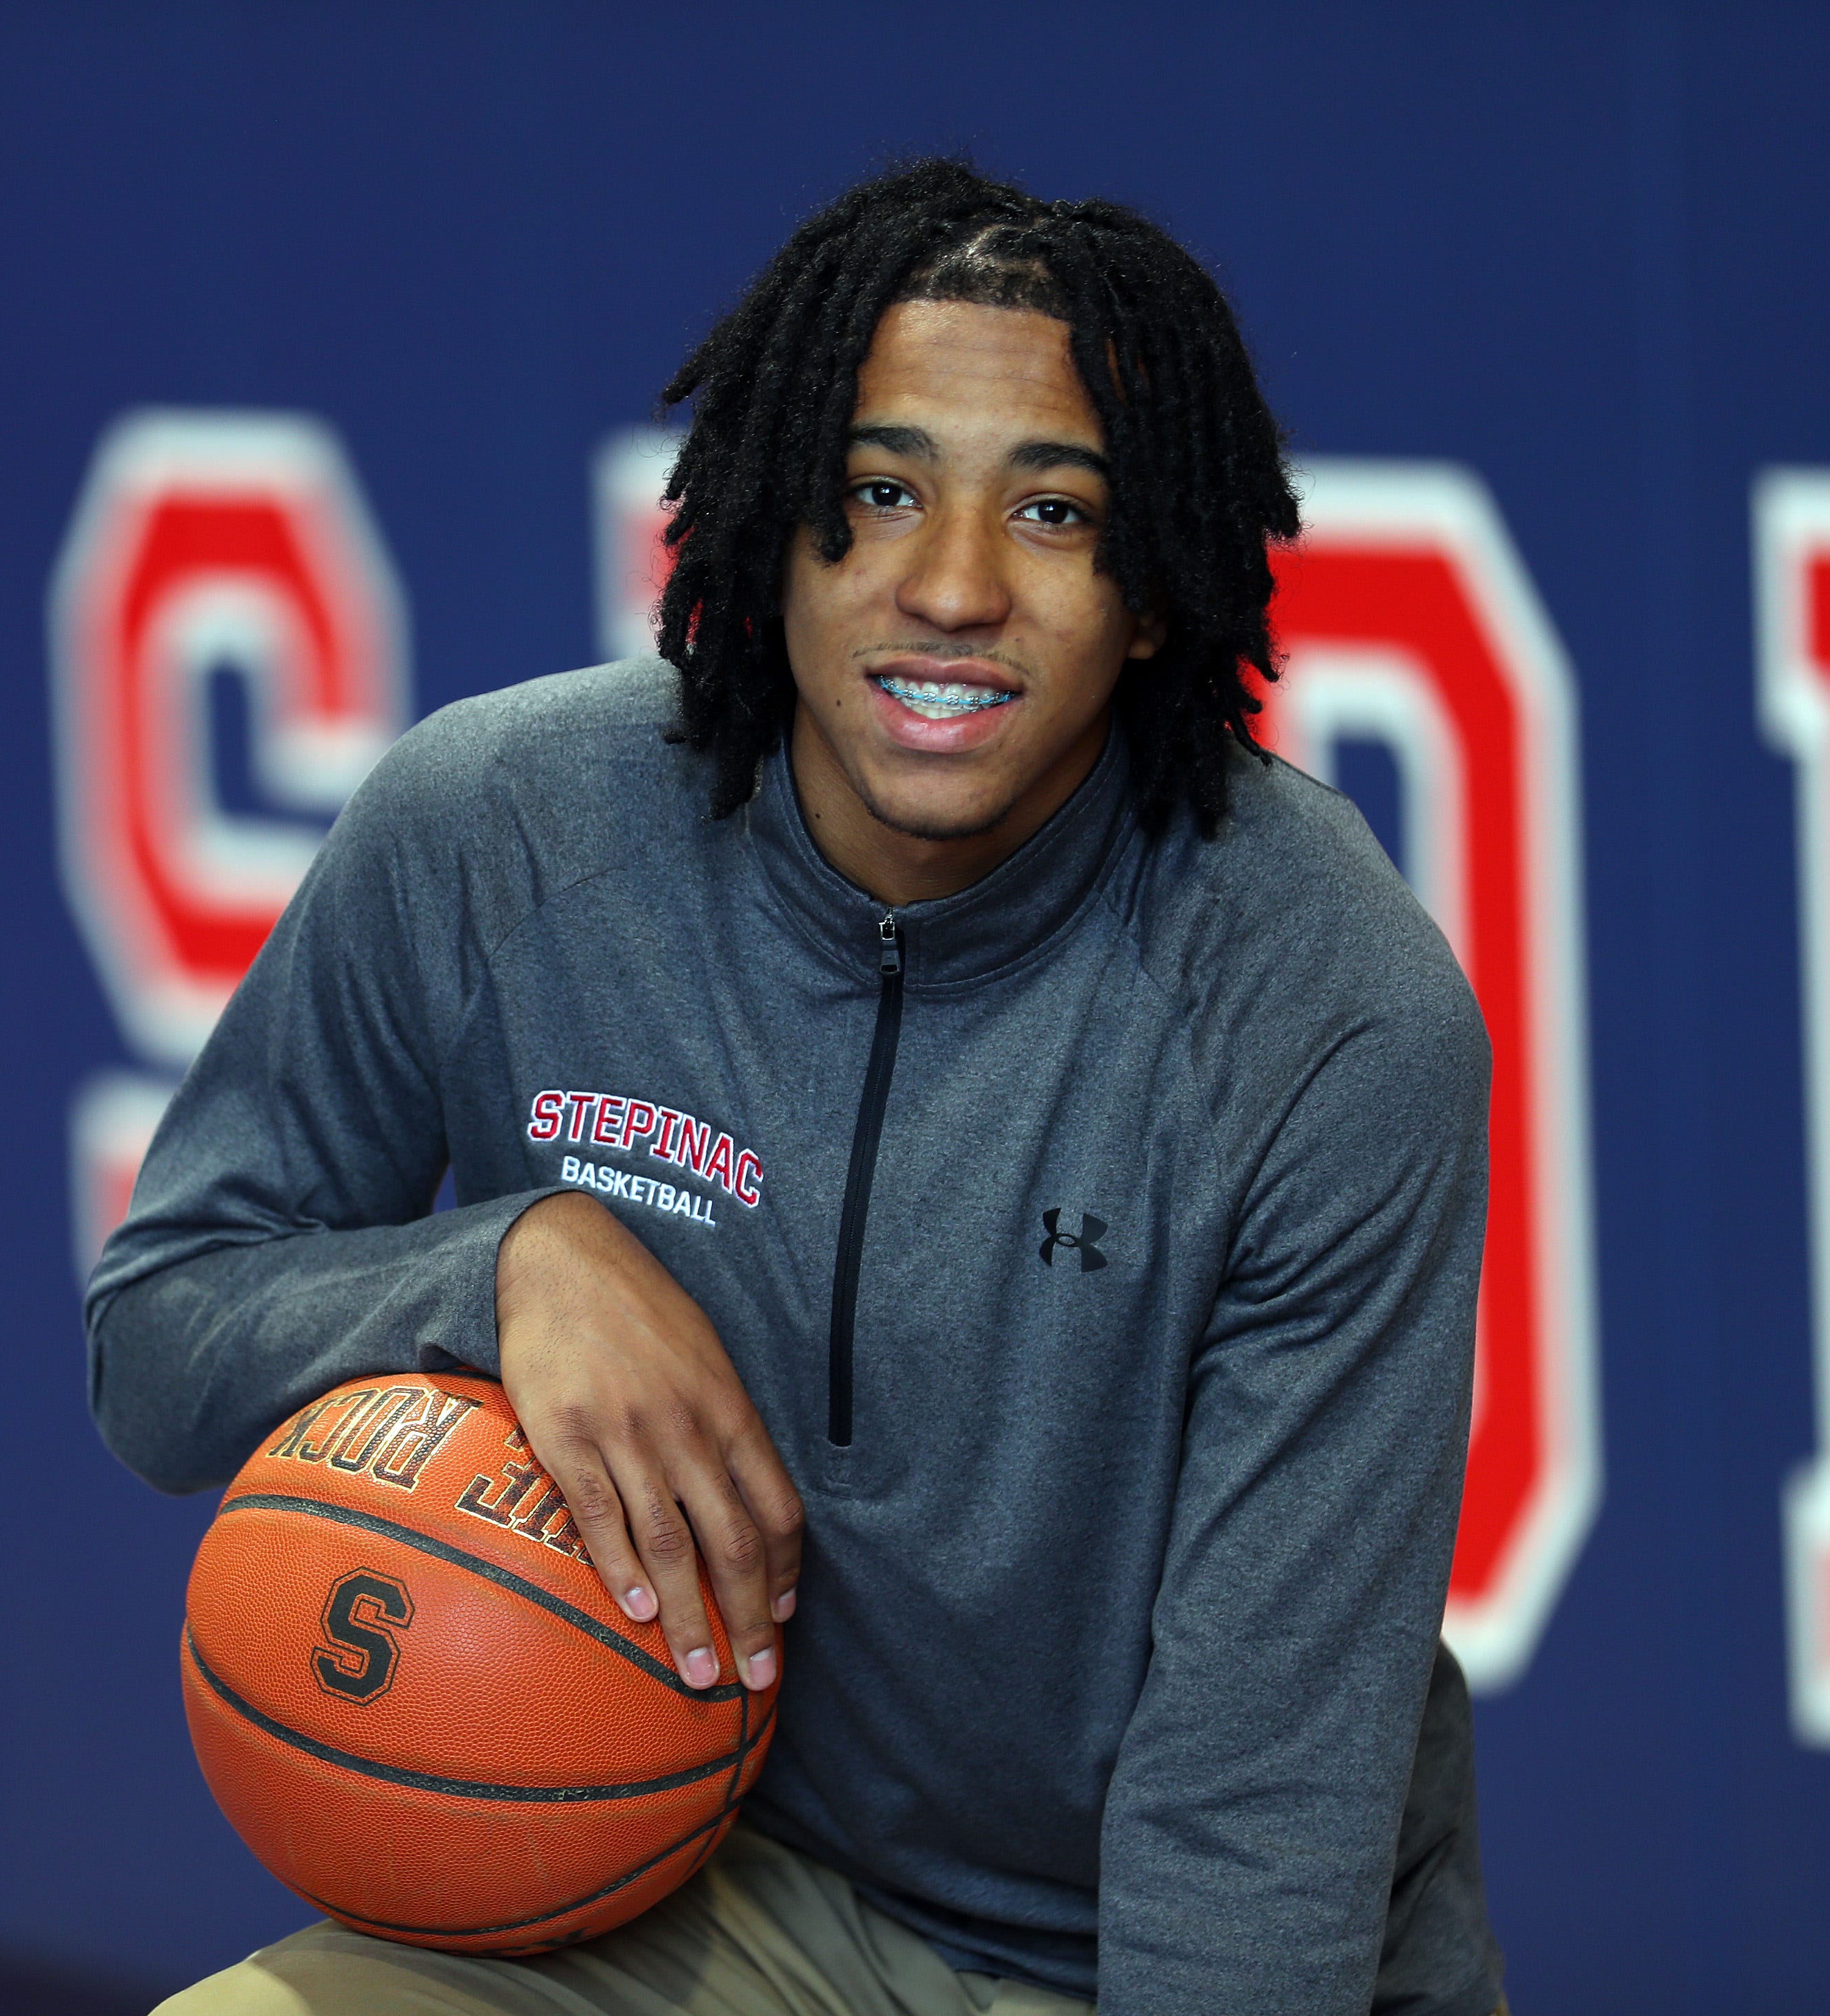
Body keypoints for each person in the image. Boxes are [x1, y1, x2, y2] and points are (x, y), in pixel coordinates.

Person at [87, 159, 1507, 2016]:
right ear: (773, 528)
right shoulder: (497, 832)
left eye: (1057, 513)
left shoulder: (1324, 1013)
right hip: (709, 1896)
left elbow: (1252, 1822)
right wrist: (505, 1269)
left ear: (1156, 590)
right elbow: (156, 1344)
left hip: (1134, 1965)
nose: (951, 589)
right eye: (880, 491)